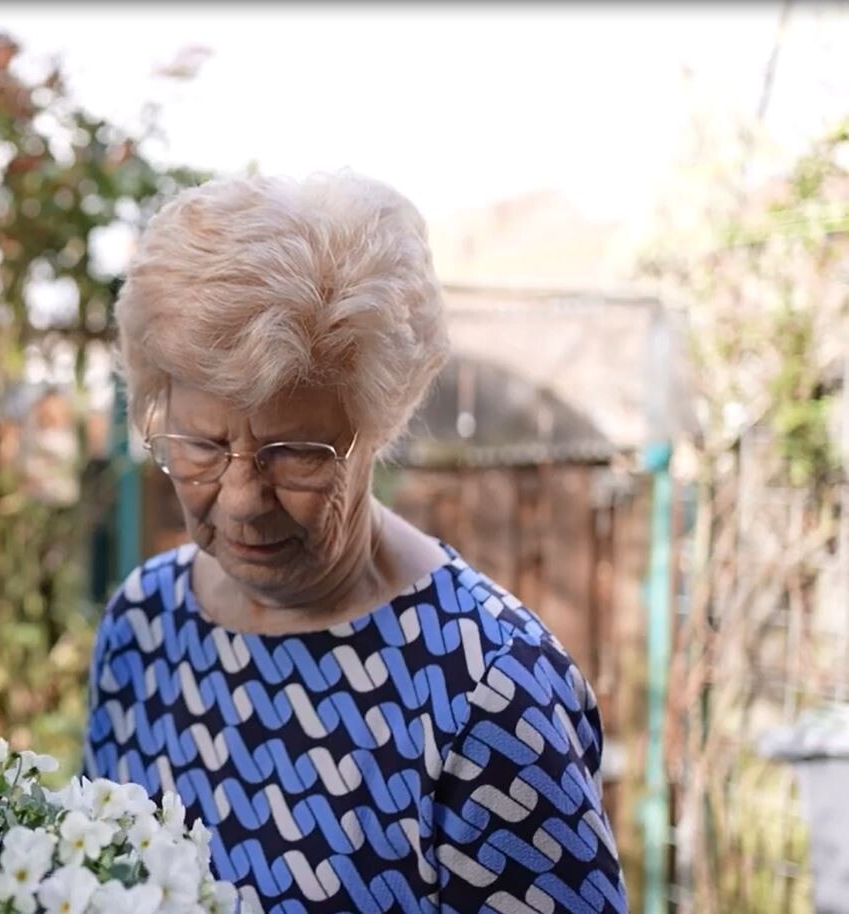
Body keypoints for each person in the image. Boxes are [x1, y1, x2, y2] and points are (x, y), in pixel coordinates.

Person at [83, 171, 625, 913]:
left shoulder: (491, 691)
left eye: (295, 454)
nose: (241, 501)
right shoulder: (142, 628)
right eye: (202, 446)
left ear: (378, 430)